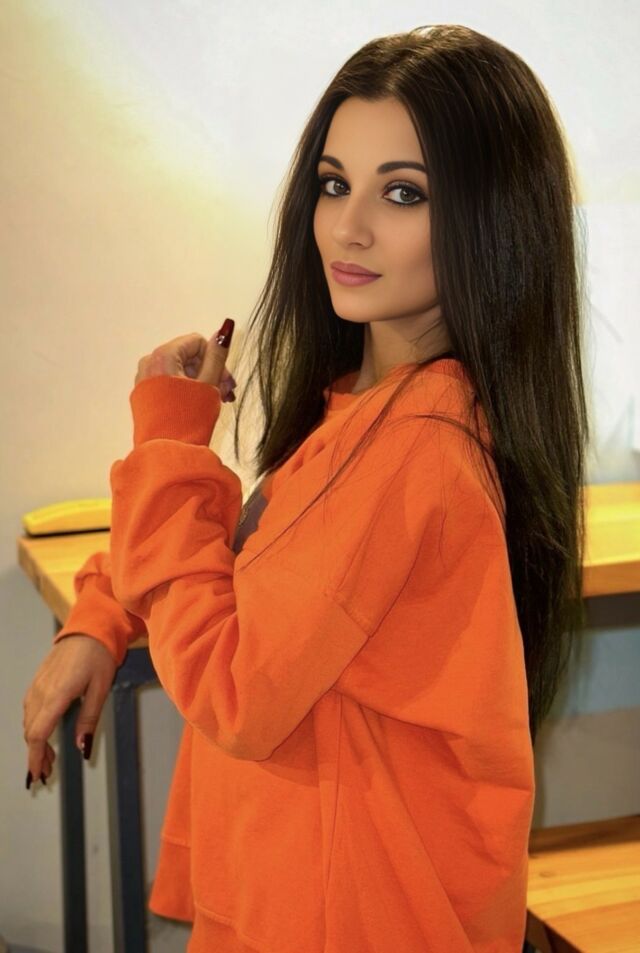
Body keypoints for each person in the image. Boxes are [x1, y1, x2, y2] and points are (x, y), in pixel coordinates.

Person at [22, 23, 589, 953]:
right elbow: (256, 560)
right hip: (311, 885)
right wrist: (103, 610)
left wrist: (166, 441)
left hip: (347, 915)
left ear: (493, 217)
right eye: (334, 184)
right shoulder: (368, 409)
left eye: (402, 193)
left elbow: (236, 686)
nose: (348, 227)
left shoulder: (417, 446)